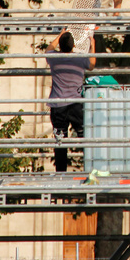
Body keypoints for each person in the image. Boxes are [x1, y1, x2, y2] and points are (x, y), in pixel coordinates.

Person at [45, 29, 95, 172]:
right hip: (75, 104)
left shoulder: (54, 58)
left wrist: (60, 35)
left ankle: (61, 173)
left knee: (60, 141)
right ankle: (91, 168)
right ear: (74, 46)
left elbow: (49, 49)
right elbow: (92, 64)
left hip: (57, 105)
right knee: (84, 136)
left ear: (60, 46)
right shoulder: (80, 58)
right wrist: (92, 45)